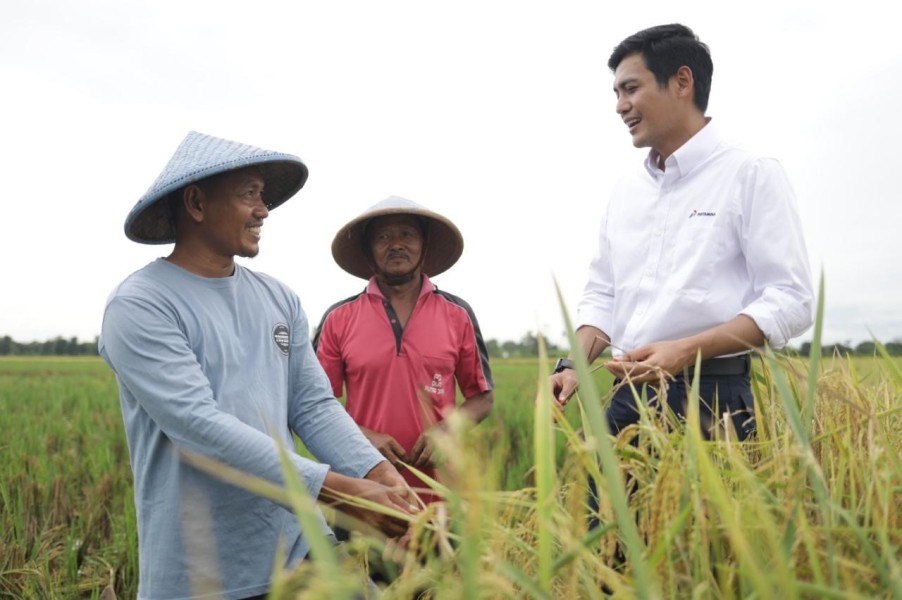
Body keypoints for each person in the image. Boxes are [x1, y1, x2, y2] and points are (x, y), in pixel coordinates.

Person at [99, 131, 416, 600]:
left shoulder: (277, 298)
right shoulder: (142, 305)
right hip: (202, 573)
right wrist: (343, 492)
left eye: (263, 196)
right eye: (250, 194)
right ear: (196, 203)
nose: (264, 210)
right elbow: (199, 428)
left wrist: (384, 481)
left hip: (299, 549)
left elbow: (312, 405)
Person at [551, 23, 815, 444]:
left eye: (631, 88)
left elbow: (792, 299)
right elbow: (603, 294)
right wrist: (571, 366)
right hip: (626, 400)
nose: (621, 105)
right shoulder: (625, 191)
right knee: (599, 511)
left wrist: (683, 352)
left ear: (682, 82)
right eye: (616, 94)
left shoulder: (750, 173)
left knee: (710, 514)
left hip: (713, 400)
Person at [314, 196, 494, 505]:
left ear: (424, 246)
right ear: (369, 252)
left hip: (440, 494)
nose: (396, 244)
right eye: (383, 237)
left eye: (407, 234)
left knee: (442, 554)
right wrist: (361, 438)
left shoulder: (457, 314)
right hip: (364, 491)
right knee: (361, 556)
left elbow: (482, 397)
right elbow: (314, 404)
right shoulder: (338, 318)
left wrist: (448, 431)